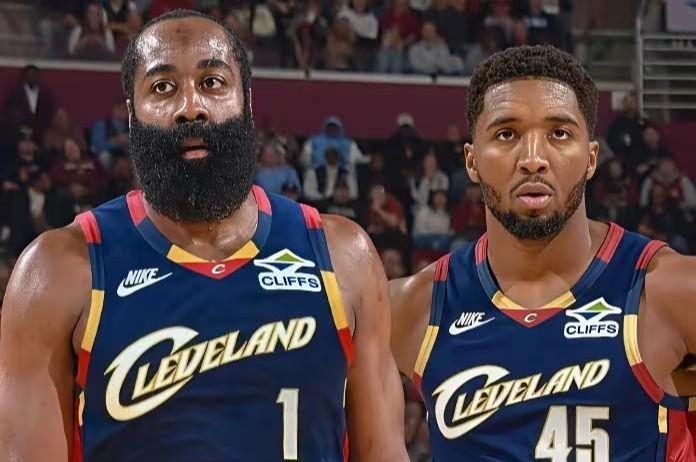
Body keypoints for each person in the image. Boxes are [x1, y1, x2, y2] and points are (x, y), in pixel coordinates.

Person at [0, 9, 408, 462]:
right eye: (162, 87)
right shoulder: (57, 271)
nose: (190, 106)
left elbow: (384, 452)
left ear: (246, 102)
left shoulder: (341, 256)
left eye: (212, 82)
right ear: (132, 115)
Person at [390, 45, 696, 461]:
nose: (533, 159)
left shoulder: (666, 291)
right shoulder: (413, 308)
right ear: (471, 161)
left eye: (559, 134)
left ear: (591, 158)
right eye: (506, 134)